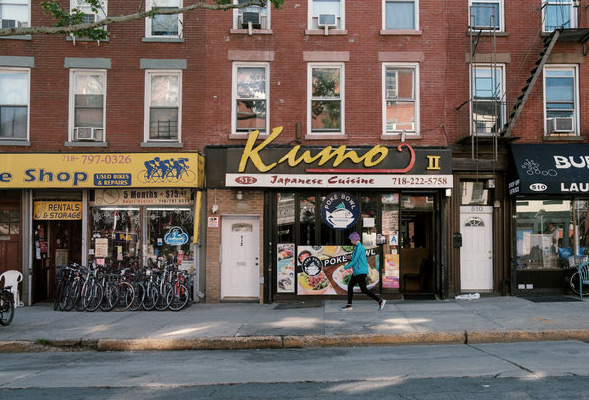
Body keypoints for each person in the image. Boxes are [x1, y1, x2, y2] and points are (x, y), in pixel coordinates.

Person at [340, 232, 386, 311]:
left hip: (360, 271)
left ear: (354, 239)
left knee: (364, 289)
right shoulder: (357, 247)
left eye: (351, 239)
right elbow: (355, 258)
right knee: (350, 286)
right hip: (357, 271)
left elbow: (355, 261)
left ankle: (380, 300)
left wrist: (345, 268)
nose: (351, 241)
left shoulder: (360, 247)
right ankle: (349, 305)